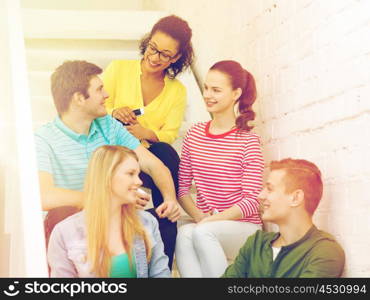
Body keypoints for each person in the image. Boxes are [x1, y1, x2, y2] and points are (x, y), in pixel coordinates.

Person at [35, 60, 180, 269]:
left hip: (115, 216)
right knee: (60, 213)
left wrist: (170, 199)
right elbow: (45, 196)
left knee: (162, 213)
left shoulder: (109, 125)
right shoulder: (44, 138)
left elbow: (153, 165)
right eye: (99, 89)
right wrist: (106, 199)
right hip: (75, 221)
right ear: (78, 99)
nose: (107, 95)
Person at [175, 60, 264, 277]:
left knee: (203, 232)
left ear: (236, 94)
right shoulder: (194, 134)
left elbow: (252, 201)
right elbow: (183, 189)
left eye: (216, 90)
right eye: (206, 88)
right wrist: (198, 216)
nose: (207, 95)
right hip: (207, 224)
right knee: (184, 233)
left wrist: (210, 220)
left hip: (245, 228)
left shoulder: (248, 141)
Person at [48, 145, 170, 277]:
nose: (139, 181)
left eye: (138, 174)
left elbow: (161, 274)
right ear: (107, 176)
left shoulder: (147, 221)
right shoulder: (64, 232)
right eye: (130, 174)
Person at [222, 158, 345, 278]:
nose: (260, 195)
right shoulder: (256, 243)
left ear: (295, 198)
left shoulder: (324, 252)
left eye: (269, 189)